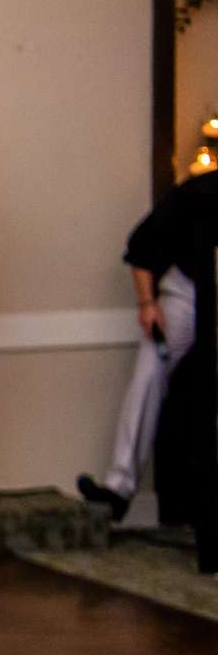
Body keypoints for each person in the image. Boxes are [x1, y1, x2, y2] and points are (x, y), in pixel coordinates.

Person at [78, 177, 204, 523]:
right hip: (187, 293)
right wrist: (148, 303)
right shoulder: (196, 194)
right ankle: (119, 487)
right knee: (149, 372)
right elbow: (142, 247)